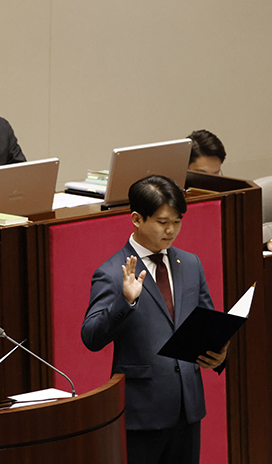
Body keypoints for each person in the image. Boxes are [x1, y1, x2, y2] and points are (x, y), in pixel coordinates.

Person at [81, 175, 228, 464]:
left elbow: (207, 323)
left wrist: (219, 354)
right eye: (162, 222)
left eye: (177, 221)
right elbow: (91, 337)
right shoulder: (112, 272)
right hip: (142, 414)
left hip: (188, 409)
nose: (171, 230)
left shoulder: (190, 263)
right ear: (137, 219)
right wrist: (126, 301)